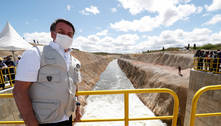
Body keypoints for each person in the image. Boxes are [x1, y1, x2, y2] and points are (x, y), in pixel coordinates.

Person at [13, 19, 82, 126]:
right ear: (52, 34)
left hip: (68, 117)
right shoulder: (35, 54)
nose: (66, 36)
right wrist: (31, 122)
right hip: (44, 122)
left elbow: (74, 87)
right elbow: (19, 91)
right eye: (61, 32)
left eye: (70, 34)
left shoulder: (74, 61)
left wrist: (78, 107)